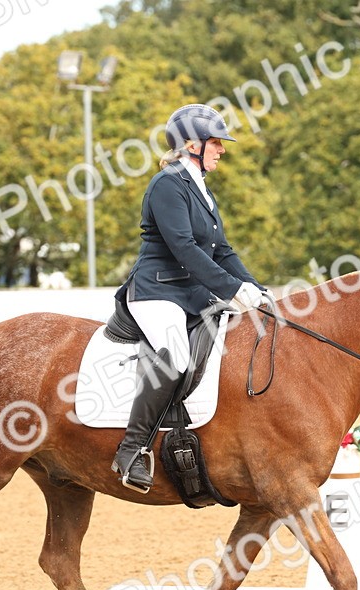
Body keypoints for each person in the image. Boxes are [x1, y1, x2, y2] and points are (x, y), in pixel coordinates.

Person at [111, 104, 270, 493]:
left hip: (193, 292)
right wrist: (232, 289)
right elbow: (182, 247)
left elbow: (222, 250)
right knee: (176, 356)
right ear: (191, 144)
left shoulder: (202, 189)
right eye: (215, 142)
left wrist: (255, 288)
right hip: (158, 291)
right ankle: (132, 451)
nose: (222, 149)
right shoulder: (167, 184)